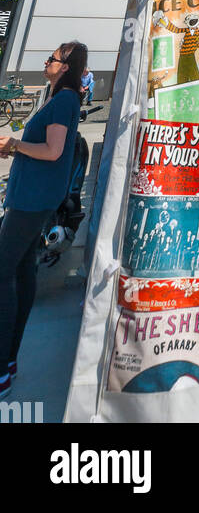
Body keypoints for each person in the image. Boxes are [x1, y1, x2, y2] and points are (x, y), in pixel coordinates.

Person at [0, 41, 87, 395]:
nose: (47, 61)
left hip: (33, 200)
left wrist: (14, 144)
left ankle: (2, 365)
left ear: (65, 66)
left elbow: (53, 152)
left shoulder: (65, 99)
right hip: (28, 196)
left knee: (4, 272)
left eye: (52, 58)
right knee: (21, 270)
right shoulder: (54, 98)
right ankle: (9, 361)